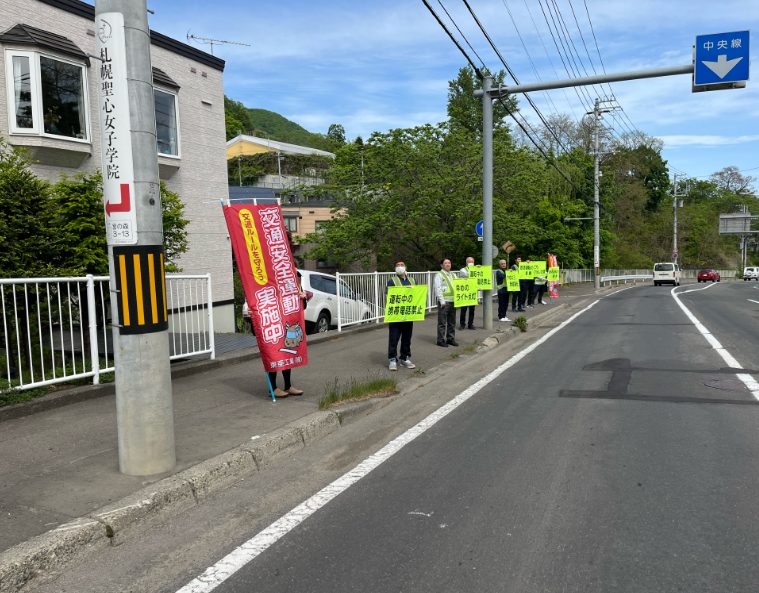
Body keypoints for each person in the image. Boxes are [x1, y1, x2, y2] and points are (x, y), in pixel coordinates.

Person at [267, 235, 306, 399]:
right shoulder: (271, 278)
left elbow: (301, 306)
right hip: (274, 320)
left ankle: (288, 385)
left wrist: (302, 298)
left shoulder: (295, 279)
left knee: (288, 353)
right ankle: (273, 388)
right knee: (273, 353)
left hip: (289, 321)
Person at [386, 260, 416, 371]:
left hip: (408, 314)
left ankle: (405, 357)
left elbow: (416, 296)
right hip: (396, 314)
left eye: (402, 265)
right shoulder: (392, 281)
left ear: (405, 267)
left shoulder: (412, 280)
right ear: (395, 268)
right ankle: (392, 359)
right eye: (397, 265)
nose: (400, 266)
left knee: (407, 338)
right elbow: (389, 296)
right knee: (394, 337)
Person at [434, 258, 458, 347]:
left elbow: (460, 285)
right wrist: (441, 300)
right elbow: (438, 288)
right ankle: (440, 340)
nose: (448, 264)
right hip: (444, 302)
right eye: (446, 263)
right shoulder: (439, 275)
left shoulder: (453, 275)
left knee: (452, 322)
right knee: (442, 322)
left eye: (449, 263)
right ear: (442, 265)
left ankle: (450, 339)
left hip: (453, 301)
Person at [458, 256, 476, 330]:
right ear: (466, 263)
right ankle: (462, 324)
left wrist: (479, 269)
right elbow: (468, 275)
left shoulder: (476, 270)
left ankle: (470, 324)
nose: (471, 263)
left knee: (472, 309)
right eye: (469, 262)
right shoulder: (463, 270)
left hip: (472, 291)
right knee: (463, 309)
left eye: (472, 262)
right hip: (465, 291)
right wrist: (476, 270)